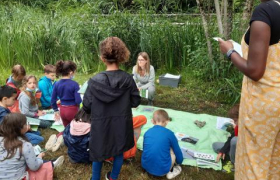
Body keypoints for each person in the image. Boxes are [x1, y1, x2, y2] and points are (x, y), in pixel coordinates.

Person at [218, 0, 280, 179]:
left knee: (254, 164)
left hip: (263, 104)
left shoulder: (265, 12)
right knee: (274, 161)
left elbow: (255, 70)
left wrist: (230, 51)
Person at [83, 37, 141, 180]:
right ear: (121, 56)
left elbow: (86, 106)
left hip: (100, 124)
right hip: (121, 123)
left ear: (102, 58)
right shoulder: (128, 79)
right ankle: (113, 177)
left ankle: (95, 178)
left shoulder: (94, 81)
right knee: (119, 151)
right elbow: (135, 101)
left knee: (98, 152)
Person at [0, 113, 64, 180]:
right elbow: (34, 167)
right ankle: (52, 165)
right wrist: (39, 157)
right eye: (25, 123)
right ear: (20, 128)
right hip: (19, 178)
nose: (28, 124)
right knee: (39, 169)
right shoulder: (25, 145)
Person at [49, 60, 82, 152]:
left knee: (66, 127)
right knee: (75, 129)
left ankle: (58, 137)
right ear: (71, 72)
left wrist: (56, 110)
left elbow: (53, 100)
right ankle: (71, 144)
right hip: (72, 110)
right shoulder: (74, 84)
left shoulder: (56, 83)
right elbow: (78, 100)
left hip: (62, 109)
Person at [141, 109, 183, 179]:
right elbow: (177, 151)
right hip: (163, 170)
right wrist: (179, 161)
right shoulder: (170, 134)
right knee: (172, 149)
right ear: (167, 121)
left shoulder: (147, 132)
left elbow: (145, 148)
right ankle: (172, 171)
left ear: (152, 121)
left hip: (146, 166)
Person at [212, 104, 239, 172]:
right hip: (236, 150)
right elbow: (230, 139)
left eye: (235, 120)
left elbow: (233, 141)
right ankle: (232, 157)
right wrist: (222, 151)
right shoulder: (237, 127)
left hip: (244, 153)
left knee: (234, 140)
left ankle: (234, 163)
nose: (234, 123)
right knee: (216, 145)